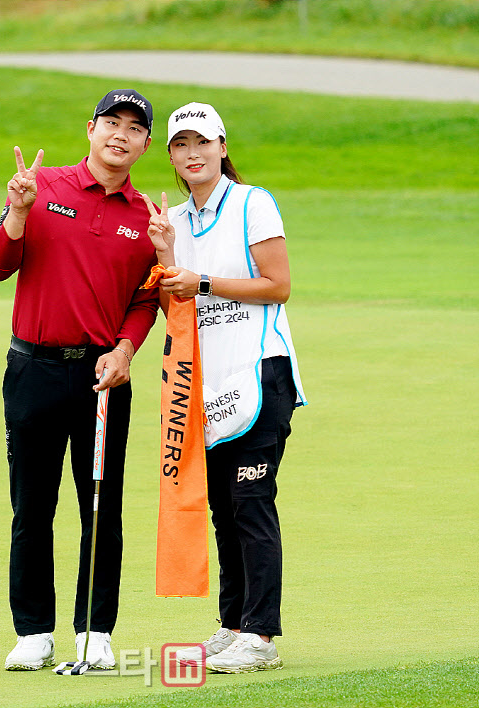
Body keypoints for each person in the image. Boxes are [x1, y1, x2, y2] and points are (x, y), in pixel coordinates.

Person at [0, 89, 159, 671]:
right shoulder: (43, 188)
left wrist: (127, 348)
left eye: (133, 128)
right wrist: (16, 211)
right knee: (32, 506)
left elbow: (146, 298)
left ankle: (96, 630)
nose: (120, 134)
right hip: (32, 367)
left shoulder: (146, 217)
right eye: (111, 122)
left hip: (102, 379)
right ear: (90, 129)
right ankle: (34, 632)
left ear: (145, 144)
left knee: (100, 506)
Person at [143, 102, 307, 673]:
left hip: (261, 372)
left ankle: (261, 635)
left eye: (202, 143)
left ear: (222, 146)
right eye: (181, 145)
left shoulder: (252, 203)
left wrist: (204, 280)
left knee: (251, 502)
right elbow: (174, 307)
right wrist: (165, 253)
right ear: (172, 155)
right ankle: (233, 623)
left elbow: (278, 285)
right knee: (222, 507)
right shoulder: (178, 220)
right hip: (208, 388)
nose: (193, 154)